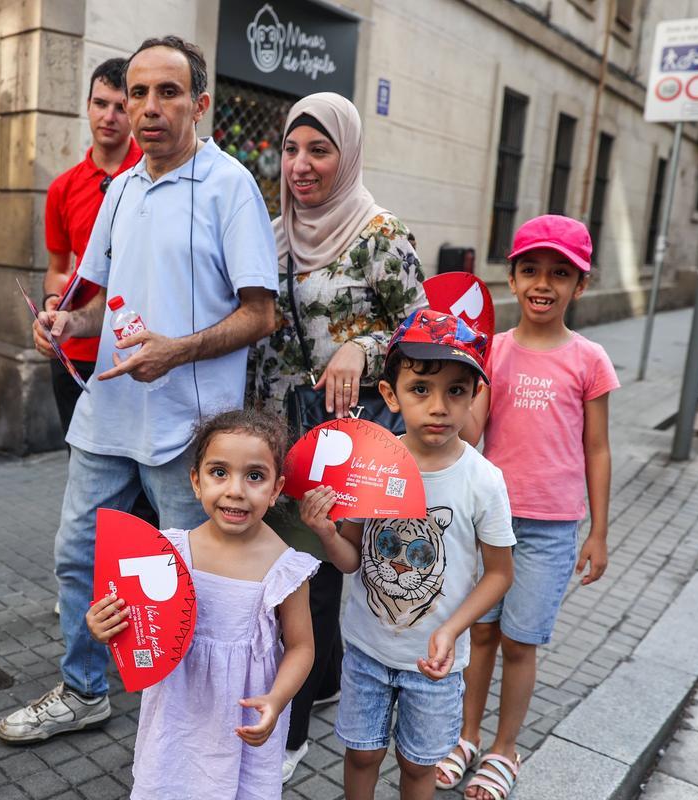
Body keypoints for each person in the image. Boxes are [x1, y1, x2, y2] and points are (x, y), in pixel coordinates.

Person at [0, 35, 279, 742]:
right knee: (78, 559)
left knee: (194, 579)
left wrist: (178, 350)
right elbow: (100, 298)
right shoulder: (119, 188)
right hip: (110, 413)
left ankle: (202, 713)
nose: (148, 109)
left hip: (192, 431)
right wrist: (66, 321)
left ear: (200, 104)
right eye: (137, 94)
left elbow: (261, 313)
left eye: (168, 93)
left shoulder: (230, 185)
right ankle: (84, 690)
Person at [253, 92, 427, 782]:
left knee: (312, 574)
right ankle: (320, 679)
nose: (300, 164)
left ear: (347, 155)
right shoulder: (270, 232)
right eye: (292, 149)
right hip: (272, 424)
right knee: (282, 565)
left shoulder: (380, 234)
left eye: (318, 149)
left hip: (337, 438)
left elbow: (425, 338)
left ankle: (290, 735)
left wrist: (366, 347)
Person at [300, 309, 515, 800]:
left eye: (456, 390)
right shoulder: (370, 465)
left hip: (436, 666)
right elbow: (352, 558)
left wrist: (451, 629)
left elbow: (500, 574)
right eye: (421, 389)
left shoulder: (484, 481)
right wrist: (326, 533)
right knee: (361, 755)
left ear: (475, 396)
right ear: (391, 395)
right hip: (366, 652)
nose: (438, 407)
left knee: (418, 768)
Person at [439, 215, 617, 800]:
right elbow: (472, 433)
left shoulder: (589, 359)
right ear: (511, 279)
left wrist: (599, 532)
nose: (544, 283)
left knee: (520, 642)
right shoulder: (492, 351)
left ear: (580, 285)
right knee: (480, 636)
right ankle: (466, 736)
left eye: (560, 273)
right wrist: (453, 379)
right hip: (488, 523)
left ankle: (504, 748)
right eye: (531, 270)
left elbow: (597, 448)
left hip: (550, 530)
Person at [86, 408, 317, 798]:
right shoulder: (169, 553)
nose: (235, 490)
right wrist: (102, 626)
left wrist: (276, 701)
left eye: (255, 476)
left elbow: (302, 646)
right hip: (176, 714)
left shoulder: (285, 568)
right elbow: (136, 624)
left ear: (277, 489)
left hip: (243, 717)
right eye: (219, 472)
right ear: (196, 481)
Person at [42, 57, 142, 431]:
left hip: (134, 350)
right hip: (75, 349)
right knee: (81, 465)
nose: (110, 116)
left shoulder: (153, 175)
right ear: (87, 106)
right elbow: (58, 269)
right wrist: (52, 305)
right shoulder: (62, 188)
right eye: (101, 104)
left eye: (121, 106)